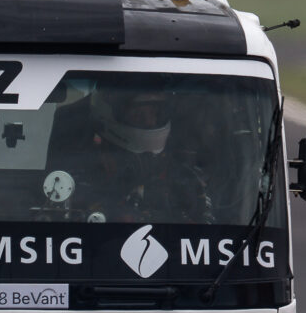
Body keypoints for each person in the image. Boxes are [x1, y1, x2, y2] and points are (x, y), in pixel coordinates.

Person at [50, 76, 219, 224]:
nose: (151, 122)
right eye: (139, 115)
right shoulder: (67, 183)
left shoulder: (183, 180)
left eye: (156, 113)